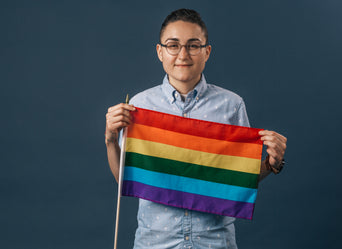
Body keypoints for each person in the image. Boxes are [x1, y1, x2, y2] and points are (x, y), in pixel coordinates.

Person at [105, 8, 287, 249]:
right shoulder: (139, 106)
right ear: (160, 52)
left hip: (215, 242)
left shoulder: (231, 105)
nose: (183, 54)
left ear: (206, 52)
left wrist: (270, 164)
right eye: (173, 45)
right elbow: (127, 179)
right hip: (155, 242)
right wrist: (110, 139)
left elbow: (238, 179)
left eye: (193, 45)